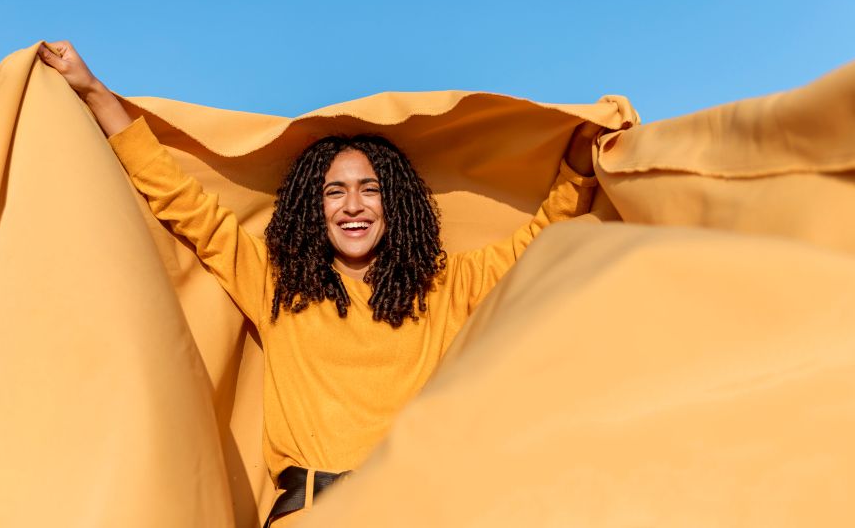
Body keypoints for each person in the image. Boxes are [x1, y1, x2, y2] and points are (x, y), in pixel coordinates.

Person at [38, 40, 600, 526]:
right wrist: (96, 95)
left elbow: (543, 242)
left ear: (394, 203)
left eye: (369, 189)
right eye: (335, 191)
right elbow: (185, 204)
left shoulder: (448, 285)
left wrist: (580, 166)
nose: (352, 206)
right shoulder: (276, 285)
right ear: (315, 206)